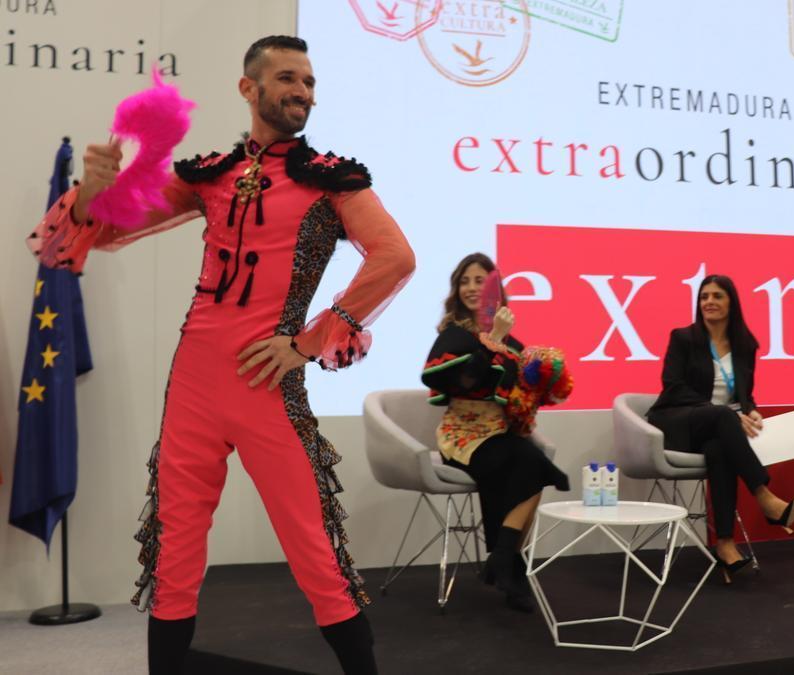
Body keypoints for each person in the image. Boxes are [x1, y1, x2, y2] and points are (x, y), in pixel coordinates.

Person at [27, 35, 415, 674]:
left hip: (268, 387)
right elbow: (114, 231)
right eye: (289, 78)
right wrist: (96, 192)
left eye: (310, 82)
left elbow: (395, 257)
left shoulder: (332, 180)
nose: (302, 92)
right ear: (249, 88)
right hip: (195, 383)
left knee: (316, 555)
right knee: (174, 554)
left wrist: (308, 342)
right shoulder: (210, 174)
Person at [421, 253, 569, 613]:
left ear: (496, 291)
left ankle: (502, 560)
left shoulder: (513, 343)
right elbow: (462, 382)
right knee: (532, 467)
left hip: (500, 434)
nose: (473, 288)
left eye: (481, 281)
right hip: (463, 437)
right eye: (466, 281)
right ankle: (508, 565)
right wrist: (493, 339)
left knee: (532, 465)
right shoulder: (453, 334)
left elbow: (520, 395)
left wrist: (546, 380)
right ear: (456, 289)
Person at [646, 274, 794, 582]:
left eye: (717, 296)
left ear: (732, 303)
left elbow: (744, 394)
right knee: (723, 419)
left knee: (720, 449)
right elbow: (672, 387)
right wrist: (723, 413)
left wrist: (750, 410)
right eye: (704, 297)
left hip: (718, 429)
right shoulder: (683, 338)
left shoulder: (746, 345)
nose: (709, 302)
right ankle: (764, 495)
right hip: (678, 421)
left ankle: (726, 545)